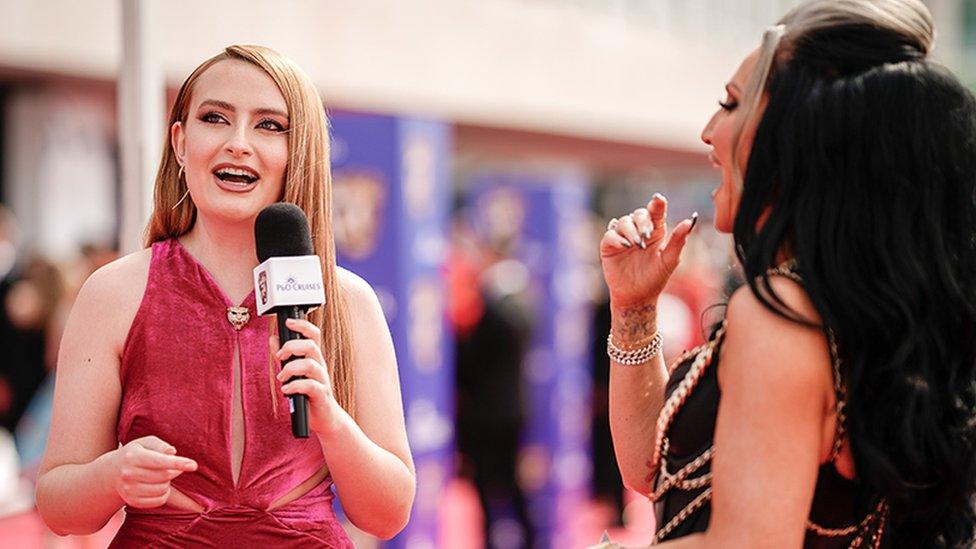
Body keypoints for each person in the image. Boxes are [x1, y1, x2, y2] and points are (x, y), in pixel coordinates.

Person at [599, 1, 976, 547]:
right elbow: (660, 471)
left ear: (798, 141)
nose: (708, 133)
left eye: (730, 105)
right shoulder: (846, 306)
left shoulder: (784, 311)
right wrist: (633, 309)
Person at [34, 45, 415, 546]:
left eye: (269, 126)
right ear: (179, 141)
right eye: (215, 118)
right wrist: (112, 475)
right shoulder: (114, 292)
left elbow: (387, 515)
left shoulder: (348, 301)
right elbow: (59, 506)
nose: (238, 144)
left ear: (297, 151)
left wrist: (332, 423)